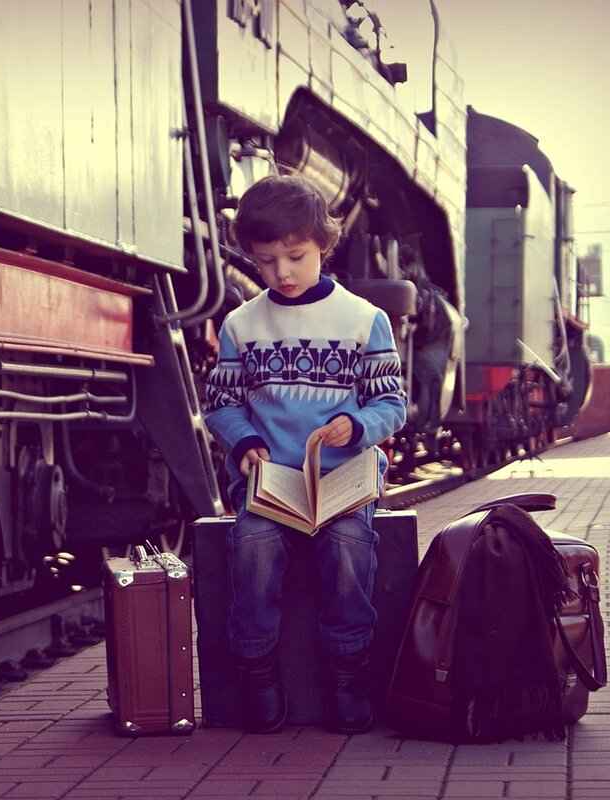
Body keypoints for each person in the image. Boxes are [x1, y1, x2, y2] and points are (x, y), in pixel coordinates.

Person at [203, 174, 406, 735]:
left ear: (323, 244)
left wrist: (357, 425)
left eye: (295, 256)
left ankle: (348, 675)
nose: (282, 274)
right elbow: (220, 405)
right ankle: (257, 673)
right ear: (250, 256)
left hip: (340, 482)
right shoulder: (241, 326)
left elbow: (392, 403)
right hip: (272, 485)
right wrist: (245, 442)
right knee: (253, 548)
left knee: (347, 550)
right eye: (266, 262)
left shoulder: (364, 320)